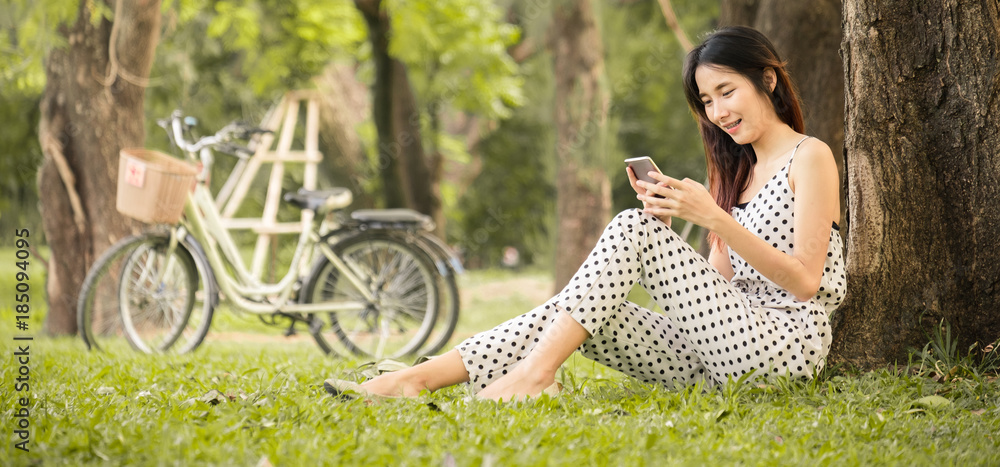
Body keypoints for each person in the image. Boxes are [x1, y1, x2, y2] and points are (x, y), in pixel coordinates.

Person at [324, 26, 846, 402]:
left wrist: (714, 220)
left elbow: (803, 281)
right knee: (581, 309)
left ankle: (533, 376)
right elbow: (717, 293)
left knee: (627, 228)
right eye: (707, 101)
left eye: (726, 92)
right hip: (717, 359)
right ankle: (417, 380)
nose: (718, 112)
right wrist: (671, 234)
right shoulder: (736, 175)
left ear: (769, 81)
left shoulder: (811, 156)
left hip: (781, 350)